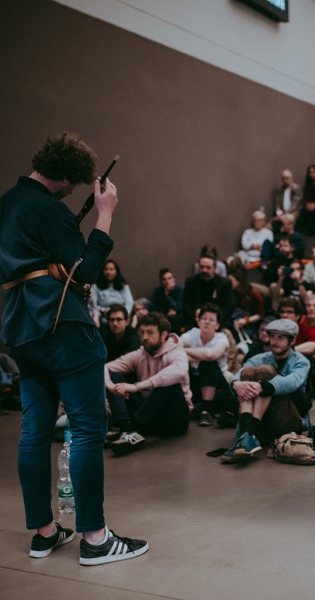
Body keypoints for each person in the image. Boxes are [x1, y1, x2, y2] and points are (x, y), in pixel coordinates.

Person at [0, 133, 147, 564]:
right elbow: (86, 273)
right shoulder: (49, 209)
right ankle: (96, 540)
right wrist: (104, 215)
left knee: (33, 431)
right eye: (73, 184)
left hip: (21, 327)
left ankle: (44, 532)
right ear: (63, 176)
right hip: (62, 325)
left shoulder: (6, 203)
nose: (73, 192)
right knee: (86, 429)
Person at [221, 319, 311, 464]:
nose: (274, 341)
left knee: (265, 371)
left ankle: (249, 433)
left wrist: (264, 386)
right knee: (248, 371)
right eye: (272, 336)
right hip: (264, 423)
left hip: (287, 423)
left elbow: (293, 381)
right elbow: (241, 372)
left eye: (280, 337)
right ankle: (247, 436)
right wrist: (236, 384)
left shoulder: (301, 361)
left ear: (292, 341)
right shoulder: (259, 358)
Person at [105, 312, 191, 450]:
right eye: (142, 332)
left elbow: (179, 372)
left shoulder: (176, 352)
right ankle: (126, 430)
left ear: (164, 335)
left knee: (169, 382)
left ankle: (134, 429)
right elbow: (106, 368)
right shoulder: (140, 353)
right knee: (114, 375)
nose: (144, 337)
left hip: (174, 421)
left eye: (150, 333)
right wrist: (110, 386)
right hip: (147, 417)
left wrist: (136, 387)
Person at [180, 303, 231, 427]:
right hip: (197, 382)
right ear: (198, 321)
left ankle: (206, 410)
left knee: (207, 364)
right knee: (181, 365)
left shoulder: (221, 337)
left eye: (211, 320)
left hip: (218, 384)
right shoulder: (193, 333)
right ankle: (190, 406)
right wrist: (185, 353)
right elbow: (175, 345)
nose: (207, 322)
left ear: (217, 325)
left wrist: (184, 351)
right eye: (204, 319)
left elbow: (211, 355)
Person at [182, 253, 234, 329]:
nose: (204, 270)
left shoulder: (225, 283)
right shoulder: (191, 281)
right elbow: (186, 305)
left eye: (208, 267)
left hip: (217, 322)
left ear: (214, 269)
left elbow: (229, 307)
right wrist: (198, 319)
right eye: (201, 267)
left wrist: (214, 318)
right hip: (195, 321)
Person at [89, 259, 134, 329]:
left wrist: (123, 314)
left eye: (111, 269)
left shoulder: (124, 286)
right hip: (103, 316)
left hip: (121, 315)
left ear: (116, 271)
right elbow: (93, 304)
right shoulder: (95, 287)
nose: (109, 272)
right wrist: (102, 311)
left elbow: (129, 302)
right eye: (106, 269)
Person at [151, 268, 184, 332]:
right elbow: (156, 308)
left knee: (173, 318)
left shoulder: (180, 290)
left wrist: (168, 296)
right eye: (164, 279)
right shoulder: (158, 291)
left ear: (173, 279)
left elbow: (178, 307)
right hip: (162, 316)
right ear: (161, 282)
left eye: (169, 278)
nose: (167, 282)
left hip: (177, 317)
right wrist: (166, 293)